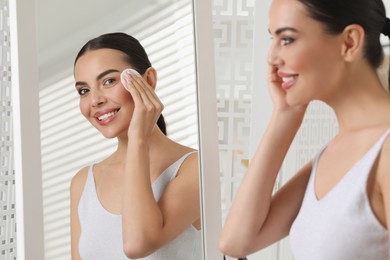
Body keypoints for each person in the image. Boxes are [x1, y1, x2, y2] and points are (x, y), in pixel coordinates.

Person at [220, 0, 390, 259]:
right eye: (272, 39)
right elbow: (236, 242)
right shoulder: (334, 153)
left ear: (349, 42)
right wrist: (284, 115)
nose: (271, 58)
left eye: (287, 39)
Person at [70, 32, 201, 260]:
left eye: (109, 81)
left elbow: (137, 245)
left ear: (148, 80)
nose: (95, 100)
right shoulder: (83, 183)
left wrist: (138, 140)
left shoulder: (197, 168)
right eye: (84, 90)